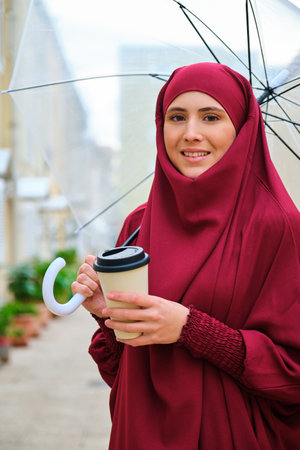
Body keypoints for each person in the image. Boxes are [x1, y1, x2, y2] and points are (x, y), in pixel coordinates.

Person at [72, 62, 300, 449]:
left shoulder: (280, 228)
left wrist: (192, 329)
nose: (191, 133)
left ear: (243, 130)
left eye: (211, 117)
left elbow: (292, 374)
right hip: (141, 432)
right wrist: (107, 313)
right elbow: (125, 370)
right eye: (177, 117)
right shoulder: (139, 225)